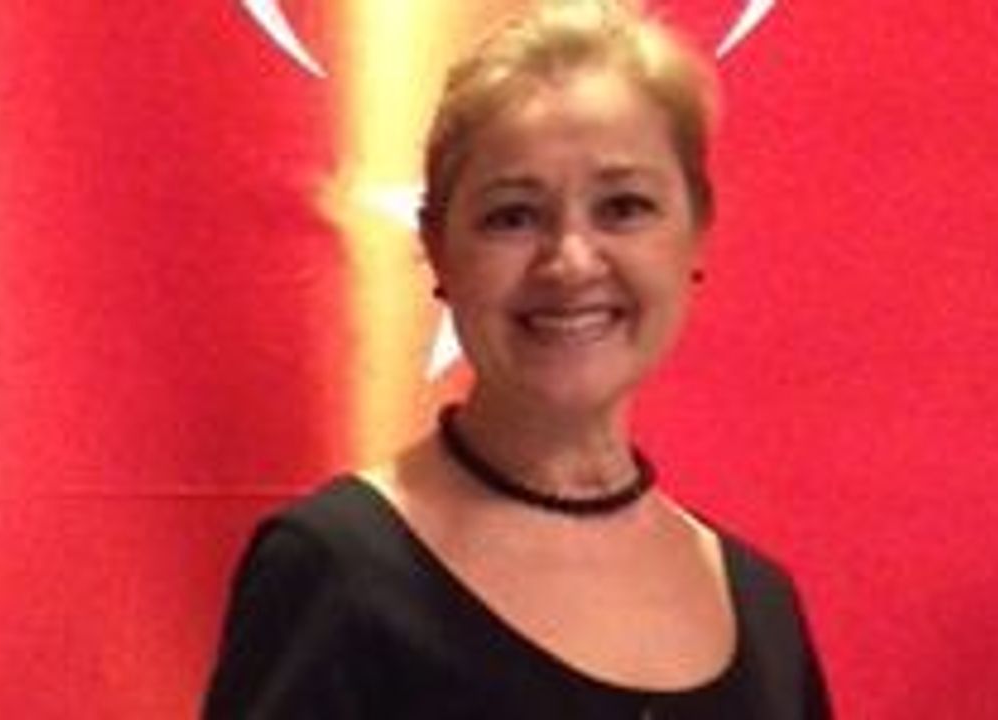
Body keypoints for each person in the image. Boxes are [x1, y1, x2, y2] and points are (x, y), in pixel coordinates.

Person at [204, 1, 831, 717]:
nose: (570, 261)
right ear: (439, 249)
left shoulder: (764, 609)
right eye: (513, 216)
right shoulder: (332, 571)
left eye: (623, 207)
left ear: (697, 232)